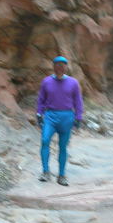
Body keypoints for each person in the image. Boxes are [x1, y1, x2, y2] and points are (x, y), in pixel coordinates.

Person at [36, 56, 83, 186]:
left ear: (66, 67)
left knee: (63, 147)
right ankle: (46, 172)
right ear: (53, 67)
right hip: (50, 116)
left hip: (67, 117)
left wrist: (78, 117)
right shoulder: (46, 82)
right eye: (57, 65)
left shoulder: (73, 83)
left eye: (62, 65)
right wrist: (39, 114)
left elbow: (78, 101)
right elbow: (41, 99)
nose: (60, 67)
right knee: (45, 141)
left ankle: (62, 175)